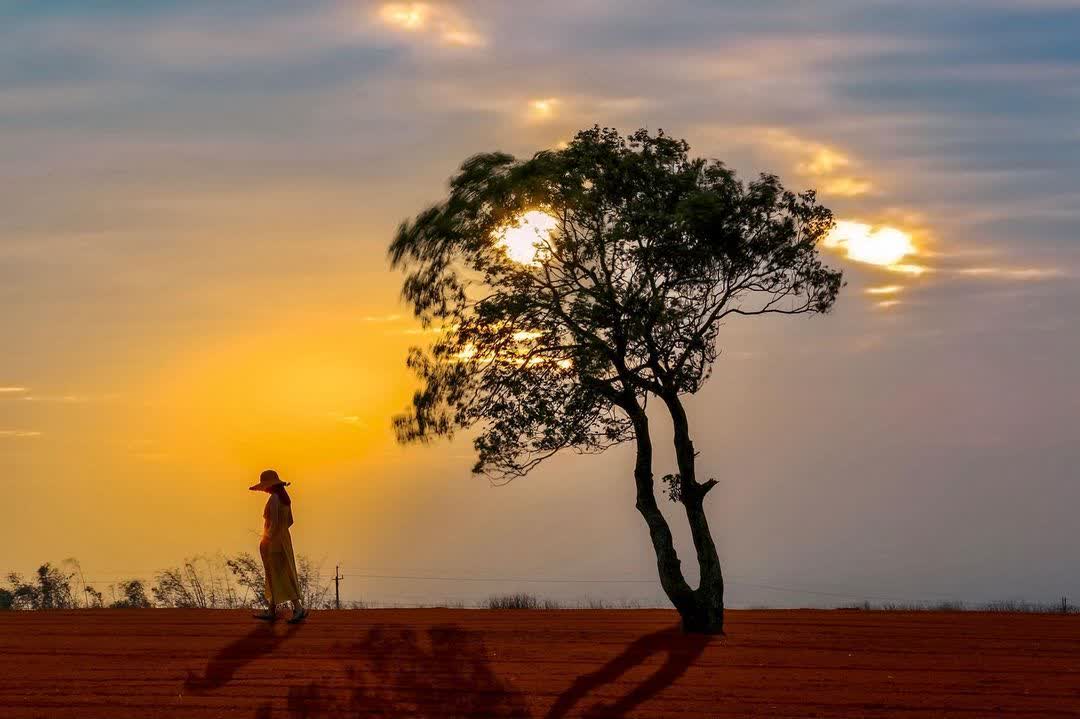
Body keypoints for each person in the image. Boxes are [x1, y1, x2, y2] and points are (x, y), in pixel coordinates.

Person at [249, 469, 308, 623]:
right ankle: (272, 609)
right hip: (284, 539)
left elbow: (273, 523)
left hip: (274, 542)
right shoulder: (285, 499)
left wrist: (266, 538)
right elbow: (289, 521)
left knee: (278, 574)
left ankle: (298, 608)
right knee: (278, 573)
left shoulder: (275, 499)